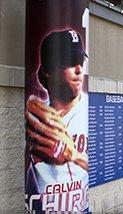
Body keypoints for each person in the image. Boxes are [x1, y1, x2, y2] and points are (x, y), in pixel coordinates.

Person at [25, 29, 89, 211]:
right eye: (69, 62)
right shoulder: (37, 119)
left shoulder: (88, 110)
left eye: (80, 62)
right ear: (47, 70)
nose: (78, 70)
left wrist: (74, 155)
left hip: (80, 206)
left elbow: (105, 165)